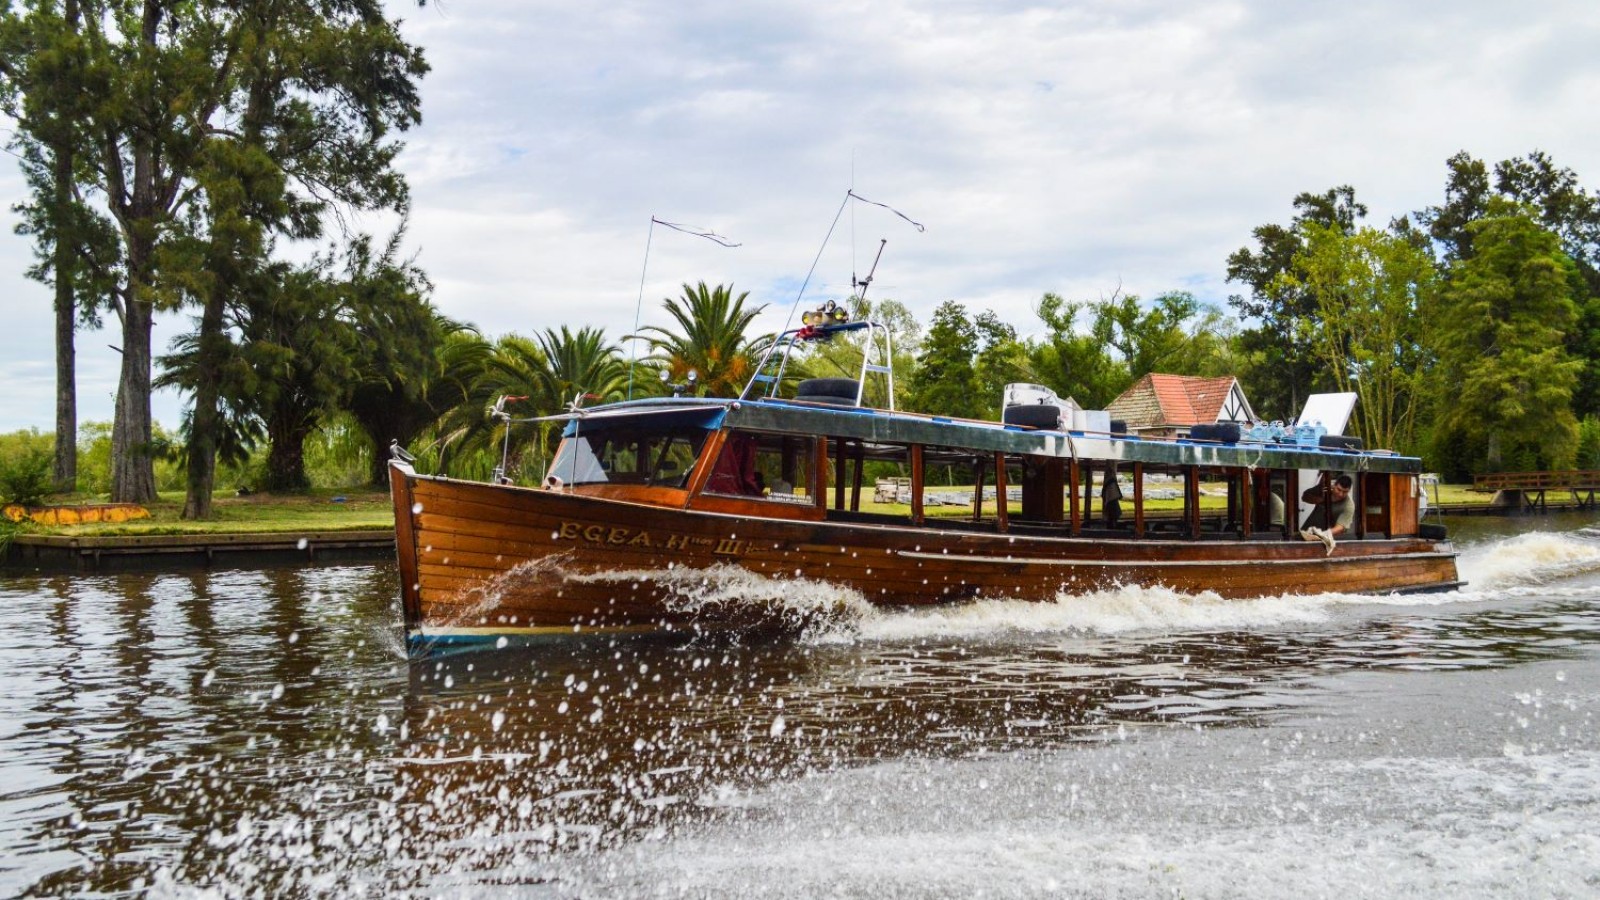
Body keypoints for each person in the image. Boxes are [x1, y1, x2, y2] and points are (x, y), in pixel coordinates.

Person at [1300, 473, 1354, 552]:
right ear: (1334, 485)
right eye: (1339, 489)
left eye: (1345, 492)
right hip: (1305, 534)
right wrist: (1320, 498)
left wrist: (1321, 535)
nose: (1341, 494)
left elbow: (1340, 528)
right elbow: (1304, 497)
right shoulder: (1325, 490)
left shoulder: (1348, 505)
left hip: (1323, 544)